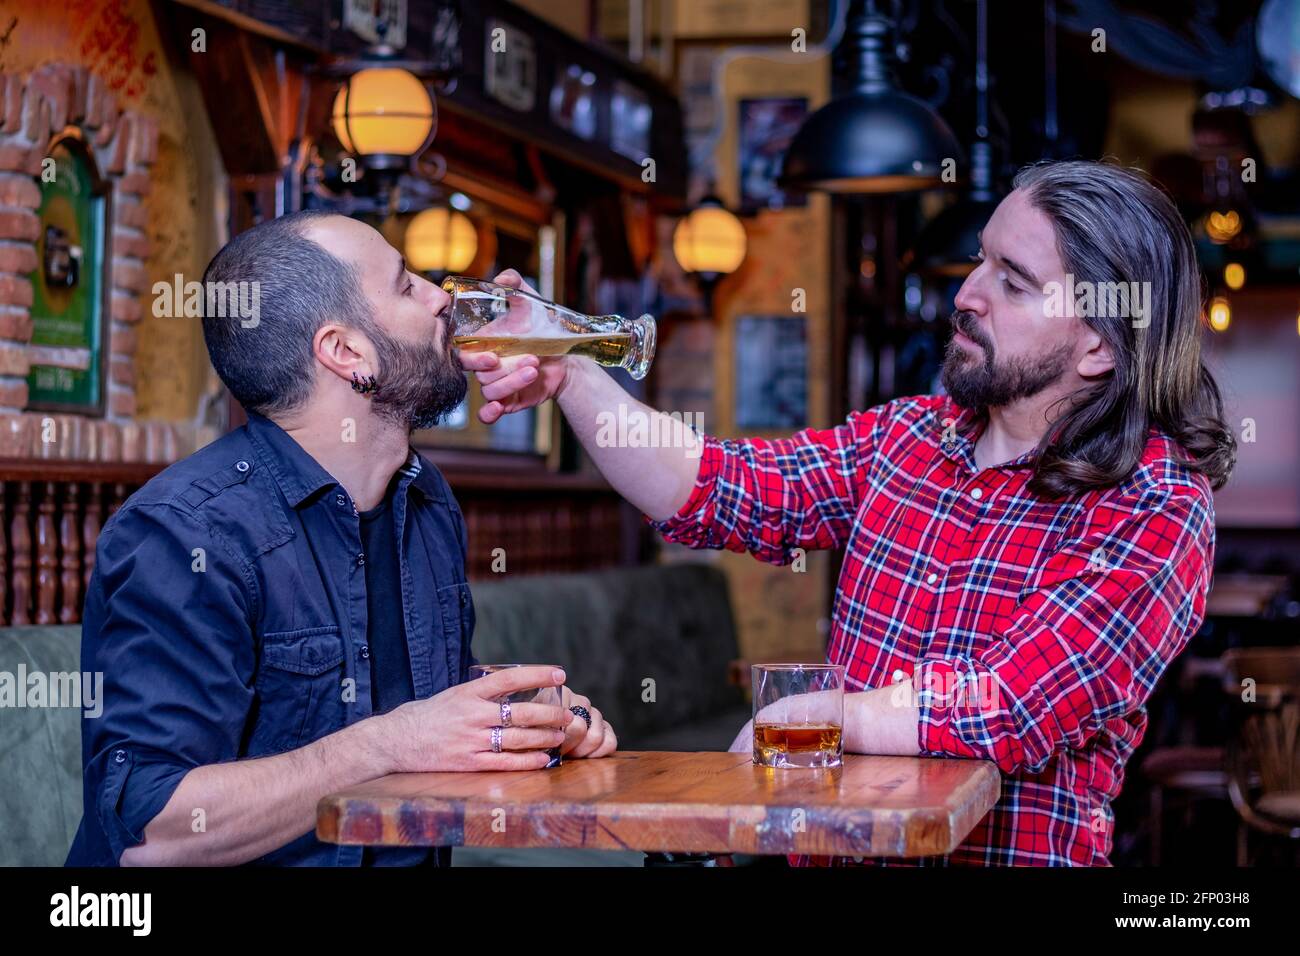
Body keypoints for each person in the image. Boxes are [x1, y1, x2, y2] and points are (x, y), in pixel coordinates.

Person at [461, 160, 1236, 866]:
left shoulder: (1153, 503)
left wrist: (813, 716)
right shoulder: (909, 436)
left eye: (1013, 280)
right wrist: (572, 375)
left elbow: (1010, 702)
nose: (966, 294)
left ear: (1098, 344)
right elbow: (715, 485)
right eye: (980, 260)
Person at [67, 211, 616, 867]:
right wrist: (383, 746)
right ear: (347, 352)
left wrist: (522, 722)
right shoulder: (187, 532)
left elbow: (386, 694)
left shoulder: (422, 495)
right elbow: (150, 829)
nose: (444, 297)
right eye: (408, 284)